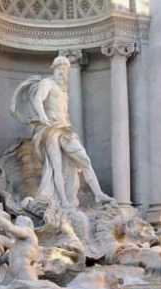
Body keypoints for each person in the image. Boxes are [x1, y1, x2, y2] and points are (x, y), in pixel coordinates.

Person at [10, 55, 114, 209]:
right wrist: (43, 116)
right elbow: (38, 99)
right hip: (50, 129)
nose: (63, 72)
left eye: (65, 69)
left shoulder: (63, 90)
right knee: (55, 167)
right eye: (60, 69)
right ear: (54, 69)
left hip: (65, 129)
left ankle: (98, 194)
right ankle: (63, 201)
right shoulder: (47, 83)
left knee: (84, 160)